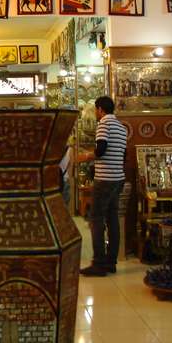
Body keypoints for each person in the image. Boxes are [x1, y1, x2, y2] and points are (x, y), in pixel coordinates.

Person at [78, 96, 127, 277]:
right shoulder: (121, 127)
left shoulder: (104, 124)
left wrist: (85, 157)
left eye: (96, 110)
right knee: (112, 219)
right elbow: (123, 154)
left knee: (96, 218)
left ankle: (98, 263)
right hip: (118, 179)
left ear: (100, 109)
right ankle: (110, 262)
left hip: (105, 179)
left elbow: (101, 150)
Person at [59, 138, 74, 206]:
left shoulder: (54, 150)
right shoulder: (70, 150)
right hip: (65, 179)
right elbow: (70, 166)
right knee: (65, 205)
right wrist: (70, 181)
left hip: (55, 181)